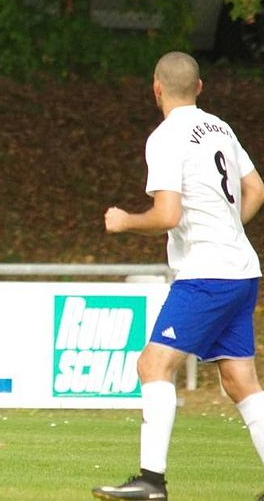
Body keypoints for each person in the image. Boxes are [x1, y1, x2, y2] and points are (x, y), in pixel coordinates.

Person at [93, 51, 264, 500]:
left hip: (207, 274)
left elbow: (167, 215)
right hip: (242, 269)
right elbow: (256, 188)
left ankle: (151, 482)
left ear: (156, 88)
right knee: (240, 380)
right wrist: (227, 230)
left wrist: (126, 221)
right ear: (199, 87)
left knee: (153, 364)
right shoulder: (220, 128)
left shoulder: (166, 137)